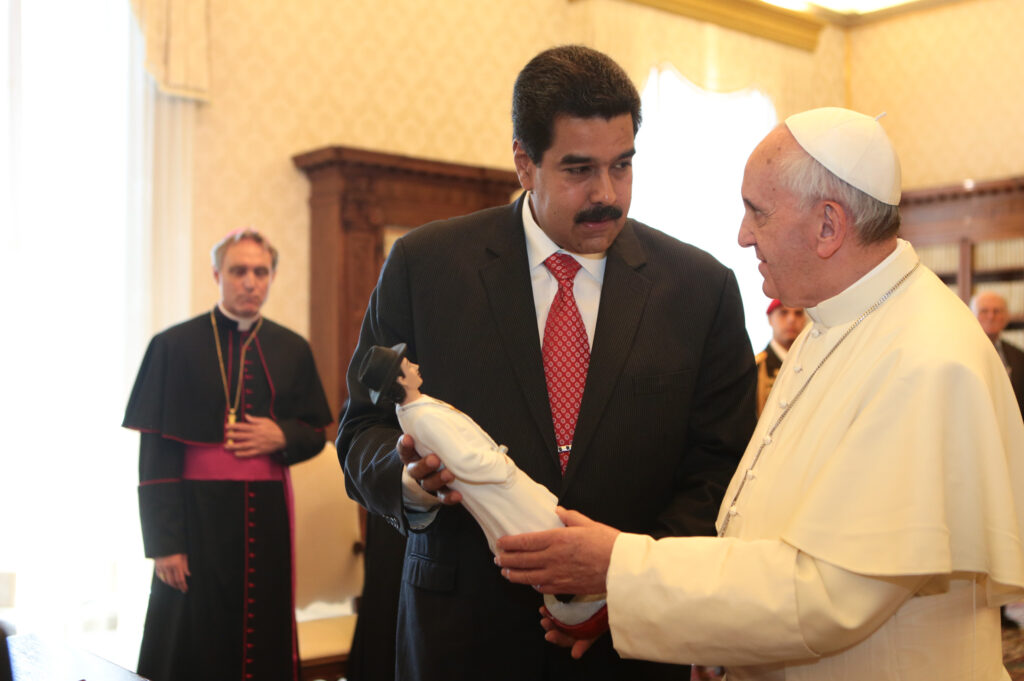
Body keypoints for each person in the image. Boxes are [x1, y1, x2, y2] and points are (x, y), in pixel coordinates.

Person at [495, 107, 1024, 680]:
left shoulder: (927, 360)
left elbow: (826, 598)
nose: (743, 235)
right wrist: (698, 634)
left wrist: (618, 567)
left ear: (828, 226)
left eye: (757, 212)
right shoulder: (834, 321)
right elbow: (766, 534)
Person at [337, 45, 756, 681]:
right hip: (462, 638)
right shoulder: (426, 267)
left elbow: (720, 468)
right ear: (524, 162)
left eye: (623, 165)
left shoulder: (701, 289)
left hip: (627, 642)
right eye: (579, 170)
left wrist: (627, 582)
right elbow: (360, 431)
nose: (607, 194)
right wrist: (412, 482)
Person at [123, 228, 333, 681]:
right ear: (217, 274)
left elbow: (317, 432)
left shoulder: (292, 348)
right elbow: (155, 455)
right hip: (195, 517)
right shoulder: (173, 346)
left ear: (272, 276)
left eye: (261, 271)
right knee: (191, 635)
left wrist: (282, 434)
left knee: (264, 626)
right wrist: (165, 544)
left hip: (267, 516)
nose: (250, 282)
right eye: (239, 271)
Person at [357, 342, 609, 635]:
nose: (415, 365)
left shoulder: (419, 408)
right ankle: (567, 593)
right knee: (537, 530)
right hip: (493, 495)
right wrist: (499, 463)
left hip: (499, 485)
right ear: (400, 380)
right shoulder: (422, 417)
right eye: (407, 365)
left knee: (540, 525)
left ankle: (571, 593)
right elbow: (461, 459)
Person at [972, 289, 1024, 630]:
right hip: (977, 452)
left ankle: (1008, 601)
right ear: (974, 314)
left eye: (997, 311)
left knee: (1011, 522)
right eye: (985, 311)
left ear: (1006, 316)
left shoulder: (1018, 355)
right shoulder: (964, 350)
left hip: (1011, 454)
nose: (991, 317)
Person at [755, 299, 806, 415]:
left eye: (798, 313)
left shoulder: (812, 363)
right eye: (783, 312)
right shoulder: (756, 368)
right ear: (770, 319)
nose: (791, 319)